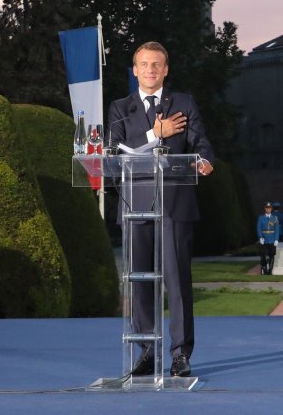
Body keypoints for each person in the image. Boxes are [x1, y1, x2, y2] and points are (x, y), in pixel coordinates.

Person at [108, 41, 214, 378]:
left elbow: (201, 143)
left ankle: (180, 354)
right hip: (135, 204)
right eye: (144, 64)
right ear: (135, 70)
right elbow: (115, 153)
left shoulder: (183, 103)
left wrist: (205, 160)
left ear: (166, 70)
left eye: (157, 64)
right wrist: (156, 133)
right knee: (139, 282)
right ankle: (147, 352)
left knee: (177, 282)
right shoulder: (119, 108)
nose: (151, 70)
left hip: (175, 205)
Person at [256, 202, 279, 275]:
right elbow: (258, 228)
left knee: (272, 255)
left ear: (271, 209)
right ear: (265, 208)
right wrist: (260, 237)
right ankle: (264, 268)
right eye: (267, 208)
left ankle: (270, 270)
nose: (268, 209)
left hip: (272, 238)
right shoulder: (261, 217)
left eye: (269, 208)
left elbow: (277, 229)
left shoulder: (274, 218)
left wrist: (276, 239)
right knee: (263, 255)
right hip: (264, 239)